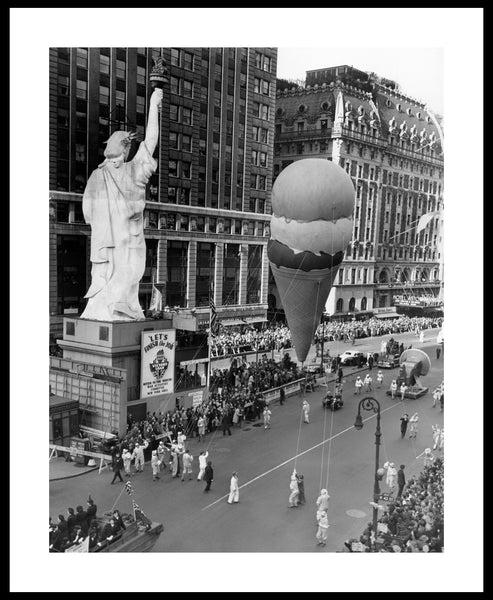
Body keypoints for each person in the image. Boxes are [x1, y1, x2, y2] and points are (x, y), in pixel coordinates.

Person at [80, 87, 163, 322]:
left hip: (109, 241)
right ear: (125, 148)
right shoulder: (131, 169)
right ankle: (118, 306)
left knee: (124, 274)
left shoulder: (98, 175)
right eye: (127, 147)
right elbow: (151, 141)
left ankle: (121, 306)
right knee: (132, 271)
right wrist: (154, 104)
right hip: (127, 239)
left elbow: (87, 210)